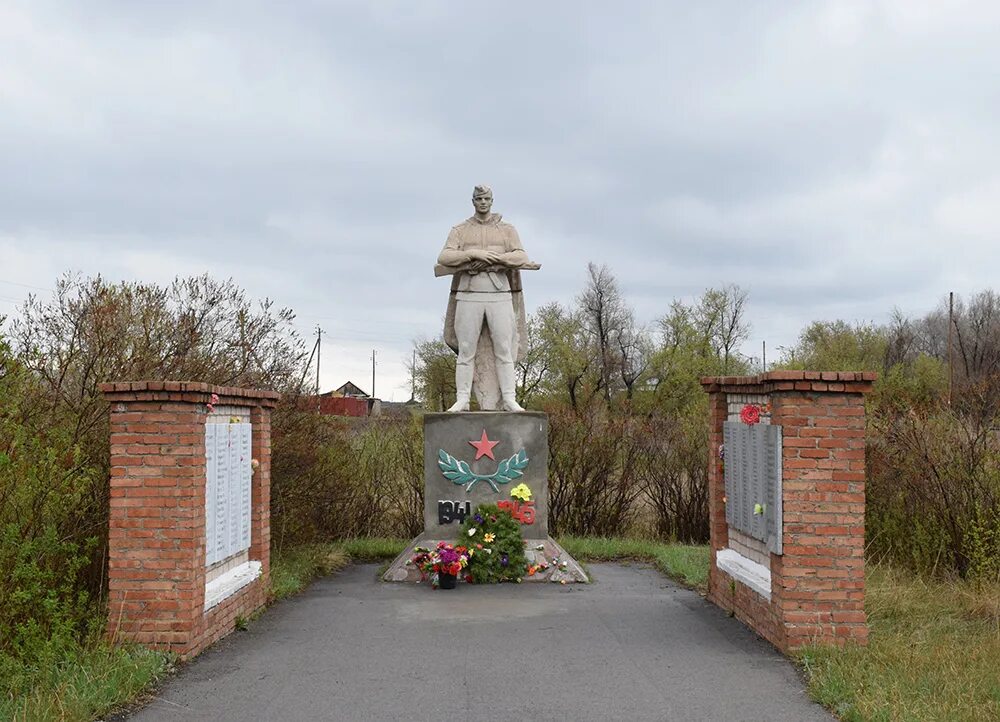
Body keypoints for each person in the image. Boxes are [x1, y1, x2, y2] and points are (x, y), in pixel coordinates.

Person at [436, 185, 538, 412]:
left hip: (499, 295)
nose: (483, 202)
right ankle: (462, 399)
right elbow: (444, 256)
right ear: (473, 201)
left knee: (504, 348)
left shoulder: (507, 230)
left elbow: (521, 255)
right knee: (466, 349)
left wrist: (496, 259)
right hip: (469, 294)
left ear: (492, 201)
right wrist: (473, 254)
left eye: (487, 199)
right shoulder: (460, 229)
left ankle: (509, 399)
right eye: (479, 199)